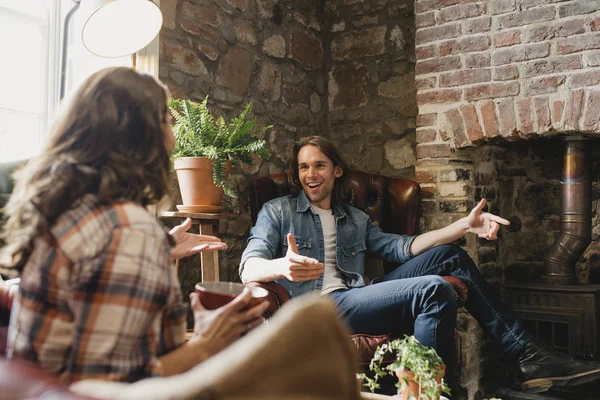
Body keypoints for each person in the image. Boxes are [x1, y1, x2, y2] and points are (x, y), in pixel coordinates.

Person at [240, 135, 600, 396]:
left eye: (319, 165)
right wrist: (281, 267)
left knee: (450, 257)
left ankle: (525, 354)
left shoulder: (353, 218)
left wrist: (462, 226)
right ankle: (438, 393)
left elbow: (402, 248)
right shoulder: (279, 212)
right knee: (434, 289)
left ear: (336, 171)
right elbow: (248, 267)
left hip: (356, 296)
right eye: (303, 167)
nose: (310, 174)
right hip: (321, 310)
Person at [0, 67, 270, 383]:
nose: (173, 137)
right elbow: (104, 386)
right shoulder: (129, 231)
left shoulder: (67, 208)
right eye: (168, 120)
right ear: (143, 135)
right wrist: (205, 344)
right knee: (311, 326)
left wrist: (161, 250)